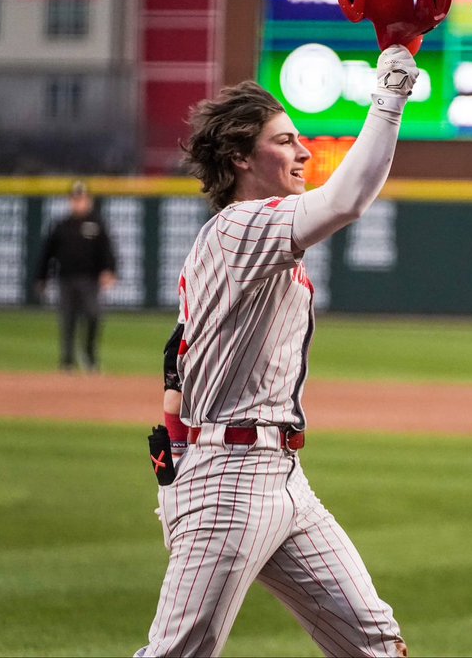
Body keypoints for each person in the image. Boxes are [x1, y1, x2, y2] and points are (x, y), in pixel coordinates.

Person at [137, 46, 418, 657]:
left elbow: (174, 358)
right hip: (229, 479)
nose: (303, 152)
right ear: (240, 157)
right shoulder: (242, 227)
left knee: (375, 642)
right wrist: (390, 90)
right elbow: (346, 201)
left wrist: (172, 460)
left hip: (281, 477)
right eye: (285, 140)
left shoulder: (247, 239)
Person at [34, 180, 117, 372]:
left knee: (93, 315)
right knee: (67, 319)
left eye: (82, 199)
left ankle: (89, 357)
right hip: (66, 279)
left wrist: (109, 271)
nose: (79, 202)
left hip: (89, 280)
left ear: (89, 200)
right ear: (70, 201)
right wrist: (42, 277)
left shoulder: (97, 224)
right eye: (75, 199)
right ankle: (67, 361)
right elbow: (47, 252)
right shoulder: (61, 225)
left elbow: (108, 251)